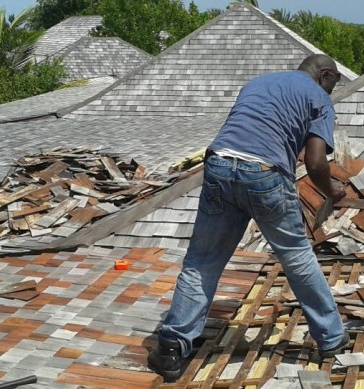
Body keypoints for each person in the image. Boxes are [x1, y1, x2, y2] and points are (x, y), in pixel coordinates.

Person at [148, 54, 349, 382]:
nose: (332, 90)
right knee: (296, 256)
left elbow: (246, 133)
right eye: (333, 83)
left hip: (219, 166)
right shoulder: (318, 98)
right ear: (325, 75)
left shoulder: (258, 83)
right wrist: (333, 191)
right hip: (264, 175)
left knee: (202, 261)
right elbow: (315, 164)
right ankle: (331, 337)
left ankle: (171, 348)